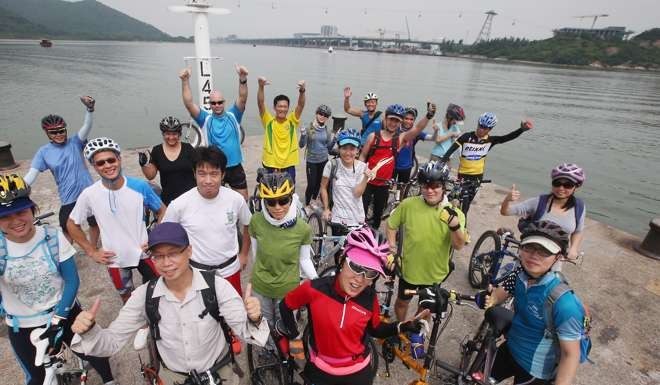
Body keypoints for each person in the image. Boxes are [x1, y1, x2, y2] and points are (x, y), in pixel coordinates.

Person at [70, 222, 269, 385]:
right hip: (172, 379)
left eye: (173, 253)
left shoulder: (217, 287)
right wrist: (90, 331)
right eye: (158, 256)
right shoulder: (144, 296)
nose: (166, 263)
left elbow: (248, 333)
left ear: (189, 251)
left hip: (219, 375)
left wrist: (255, 317)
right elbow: (111, 343)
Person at [0, 174, 115, 385]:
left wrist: (58, 319)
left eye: (21, 211)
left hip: (64, 312)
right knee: (36, 378)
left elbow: (72, 281)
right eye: (6, 216)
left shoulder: (52, 237)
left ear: (31, 209)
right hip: (22, 325)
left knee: (93, 353)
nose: (16, 221)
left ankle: (109, 380)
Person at [278, 227, 426, 385]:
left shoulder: (369, 298)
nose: (360, 279)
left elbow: (374, 329)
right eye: (356, 266)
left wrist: (403, 326)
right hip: (320, 370)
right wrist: (295, 338)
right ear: (342, 258)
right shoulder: (314, 289)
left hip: (358, 372)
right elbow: (285, 306)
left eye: (371, 273)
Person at [476, 220, 586, 385]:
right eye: (529, 247)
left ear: (558, 257)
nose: (534, 256)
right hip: (510, 349)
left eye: (544, 251)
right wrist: (489, 299)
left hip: (535, 369)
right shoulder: (520, 275)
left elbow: (570, 355)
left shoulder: (564, 303)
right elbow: (498, 296)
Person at [67, 137, 165, 303]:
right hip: (115, 258)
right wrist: (91, 251)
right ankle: (140, 325)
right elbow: (71, 223)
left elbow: (162, 210)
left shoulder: (140, 186)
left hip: (144, 252)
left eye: (111, 160)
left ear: (119, 159)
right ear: (94, 166)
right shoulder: (89, 194)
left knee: (159, 291)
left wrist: (156, 238)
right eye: (100, 163)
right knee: (127, 297)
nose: (107, 166)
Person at [386, 161, 466, 356]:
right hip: (409, 269)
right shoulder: (409, 204)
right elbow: (391, 225)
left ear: (443, 187)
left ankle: (416, 329)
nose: (430, 190)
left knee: (427, 307)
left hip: (435, 273)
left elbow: (458, 245)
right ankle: (401, 327)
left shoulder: (454, 213)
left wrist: (454, 225)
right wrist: (391, 249)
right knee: (402, 302)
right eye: (426, 185)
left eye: (436, 186)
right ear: (420, 186)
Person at [163, 146, 250, 297]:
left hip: (230, 271)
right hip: (196, 273)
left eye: (214, 174)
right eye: (202, 174)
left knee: (233, 316)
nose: (208, 181)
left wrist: (243, 255)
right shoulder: (179, 205)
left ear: (223, 174)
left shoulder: (235, 199)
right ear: (194, 173)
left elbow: (249, 225)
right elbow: (165, 234)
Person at [23, 96, 100, 246]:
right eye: (54, 132)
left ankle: (93, 246)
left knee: (95, 222)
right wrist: (17, 189)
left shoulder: (75, 142)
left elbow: (87, 126)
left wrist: (89, 109)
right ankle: (66, 253)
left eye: (61, 130)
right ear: (47, 134)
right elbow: (32, 174)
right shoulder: (43, 152)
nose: (59, 134)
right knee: (67, 227)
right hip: (68, 196)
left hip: (88, 191)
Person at [249, 172, 317, 332]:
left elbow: (305, 260)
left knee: (285, 328)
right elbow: (255, 254)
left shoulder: (303, 229)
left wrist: (316, 281)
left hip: (288, 289)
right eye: (271, 202)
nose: (277, 207)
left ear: (292, 198)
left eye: (283, 200)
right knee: (264, 327)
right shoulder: (256, 221)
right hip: (261, 287)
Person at [359, 102, 436, 229]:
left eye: (397, 121)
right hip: (367, 181)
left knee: (378, 214)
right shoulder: (373, 137)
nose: (393, 123)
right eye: (391, 119)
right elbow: (362, 156)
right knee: (361, 212)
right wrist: (362, 170)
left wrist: (428, 116)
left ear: (400, 123)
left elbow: (417, 129)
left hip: (383, 184)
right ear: (385, 119)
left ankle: (372, 239)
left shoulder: (399, 139)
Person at [441, 112, 533, 215]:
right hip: (463, 175)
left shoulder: (490, 140)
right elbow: (450, 151)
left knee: (465, 206)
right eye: (480, 126)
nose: (481, 129)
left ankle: (462, 227)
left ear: (490, 129)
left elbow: (507, 137)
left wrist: (521, 130)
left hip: (477, 178)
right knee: (452, 201)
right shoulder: (466, 137)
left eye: (485, 128)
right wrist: (440, 164)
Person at [180, 65, 249, 199]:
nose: (217, 105)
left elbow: (242, 97)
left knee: (243, 199)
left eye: (219, 102)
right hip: (215, 167)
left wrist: (243, 78)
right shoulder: (205, 119)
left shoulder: (234, 116)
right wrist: (185, 81)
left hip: (235, 166)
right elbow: (189, 103)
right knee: (216, 200)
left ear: (224, 102)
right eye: (214, 103)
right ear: (210, 104)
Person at [501, 163, 587, 262]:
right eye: (557, 183)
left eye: (568, 185)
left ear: (576, 187)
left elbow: (578, 231)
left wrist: (573, 248)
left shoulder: (579, 207)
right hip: (530, 253)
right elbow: (506, 212)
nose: (561, 188)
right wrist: (507, 200)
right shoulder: (538, 202)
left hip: (555, 257)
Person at [319, 129, 370, 235]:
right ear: (339, 149)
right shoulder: (331, 165)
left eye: (352, 149)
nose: (347, 153)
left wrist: (365, 177)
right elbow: (323, 187)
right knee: (338, 250)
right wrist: (326, 208)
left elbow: (357, 193)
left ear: (358, 151)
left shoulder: (363, 168)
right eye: (344, 148)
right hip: (338, 219)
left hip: (357, 219)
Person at [257, 76, 306, 183]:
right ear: (274, 108)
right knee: (270, 194)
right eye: (280, 106)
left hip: (288, 164)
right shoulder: (269, 121)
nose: (282, 109)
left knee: (288, 193)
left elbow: (300, 105)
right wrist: (261, 87)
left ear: (288, 108)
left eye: (285, 106)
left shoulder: (292, 121)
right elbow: (260, 104)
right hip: (271, 164)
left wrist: (302, 91)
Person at [139, 116, 196, 206]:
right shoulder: (157, 150)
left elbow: (199, 170)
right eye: (167, 134)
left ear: (179, 134)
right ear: (163, 134)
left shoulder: (188, 148)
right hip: (168, 200)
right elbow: (150, 176)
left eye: (174, 134)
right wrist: (143, 164)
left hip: (190, 198)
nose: (171, 137)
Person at [299, 104, 337, 206]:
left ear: (327, 118)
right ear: (316, 113)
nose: (322, 116)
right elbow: (301, 145)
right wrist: (303, 135)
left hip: (323, 160)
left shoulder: (327, 131)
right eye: (320, 113)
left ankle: (314, 200)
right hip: (311, 161)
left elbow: (328, 148)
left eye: (325, 115)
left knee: (319, 184)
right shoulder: (310, 128)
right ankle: (307, 204)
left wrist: (335, 139)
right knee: (311, 184)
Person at [394, 107, 434, 184]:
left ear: (414, 120)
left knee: (402, 188)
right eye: (406, 118)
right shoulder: (395, 129)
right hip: (392, 165)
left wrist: (436, 131)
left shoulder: (415, 132)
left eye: (411, 119)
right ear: (402, 118)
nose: (408, 121)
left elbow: (432, 138)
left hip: (406, 166)